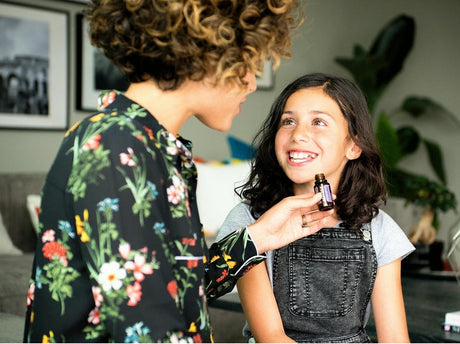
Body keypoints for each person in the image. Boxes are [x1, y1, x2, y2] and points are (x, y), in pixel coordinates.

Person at [22, 1, 337, 343]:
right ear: (210, 51)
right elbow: (146, 331)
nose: (251, 82)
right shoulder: (117, 148)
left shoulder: (146, 144)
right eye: (249, 62)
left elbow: (172, 289)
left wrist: (258, 238)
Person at [217, 73, 415, 343]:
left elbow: (395, 339)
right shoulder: (249, 223)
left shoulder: (380, 228)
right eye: (288, 121)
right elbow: (271, 336)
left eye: (319, 122)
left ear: (354, 145)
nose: (298, 134)